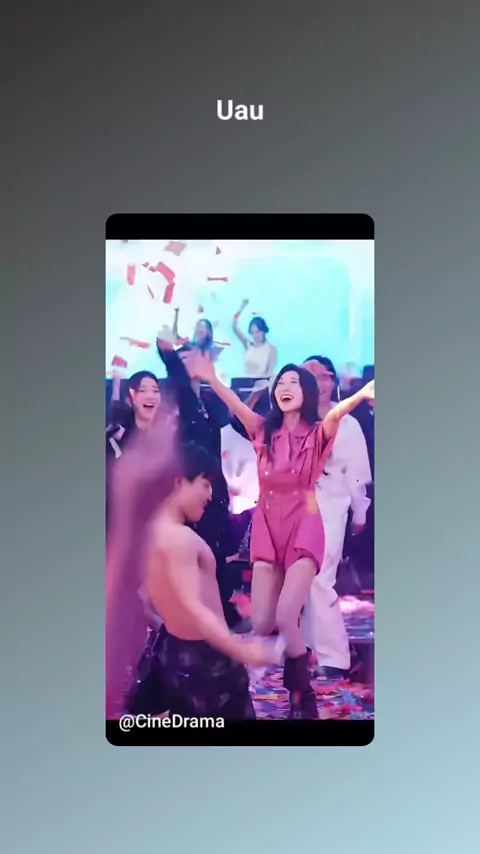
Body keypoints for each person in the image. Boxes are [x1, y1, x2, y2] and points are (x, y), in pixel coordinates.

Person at [184, 349, 375, 719]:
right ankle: (288, 672)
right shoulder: (262, 430)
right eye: (281, 383)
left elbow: (336, 413)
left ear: (306, 392)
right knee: (262, 621)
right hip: (269, 527)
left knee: (288, 614)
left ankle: (302, 695)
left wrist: (361, 395)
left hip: (305, 525)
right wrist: (211, 378)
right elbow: (235, 404)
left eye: (293, 382)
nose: (285, 387)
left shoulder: (319, 434)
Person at [147, 442, 282, 719]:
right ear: (178, 481)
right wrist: (241, 650)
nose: (210, 495)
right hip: (208, 660)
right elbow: (194, 608)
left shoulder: (148, 533)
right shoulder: (180, 539)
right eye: (205, 485)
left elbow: (142, 599)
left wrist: (166, 629)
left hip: (175, 651)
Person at [156, 332, 238, 628]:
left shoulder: (210, 402)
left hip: (214, 486)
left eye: (192, 358)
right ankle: (195, 620)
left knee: (216, 551)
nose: (188, 364)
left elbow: (229, 422)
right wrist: (168, 356)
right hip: (187, 486)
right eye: (183, 359)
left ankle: (221, 615)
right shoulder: (175, 403)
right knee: (193, 552)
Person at [301, 356, 372, 679]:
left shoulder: (348, 423)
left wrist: (360, 509)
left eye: (325, 375)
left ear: (333, 382)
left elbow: (357, 472)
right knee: (300, 581)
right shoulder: (292, 419)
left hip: (331, 506)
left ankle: (335, 657)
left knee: (321, 579)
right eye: (310, 375)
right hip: (295, 508)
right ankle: (305, 649)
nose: (319, 381)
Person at [232, 299, 277, 386]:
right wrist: (241, 308)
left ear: (264, 331)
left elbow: (269, 373)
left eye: (258, 332)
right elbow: (234, 327)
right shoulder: (248, 345)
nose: (255, 335)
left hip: (261, 385)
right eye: (252, 333)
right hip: (245, 383)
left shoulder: (271, 349)